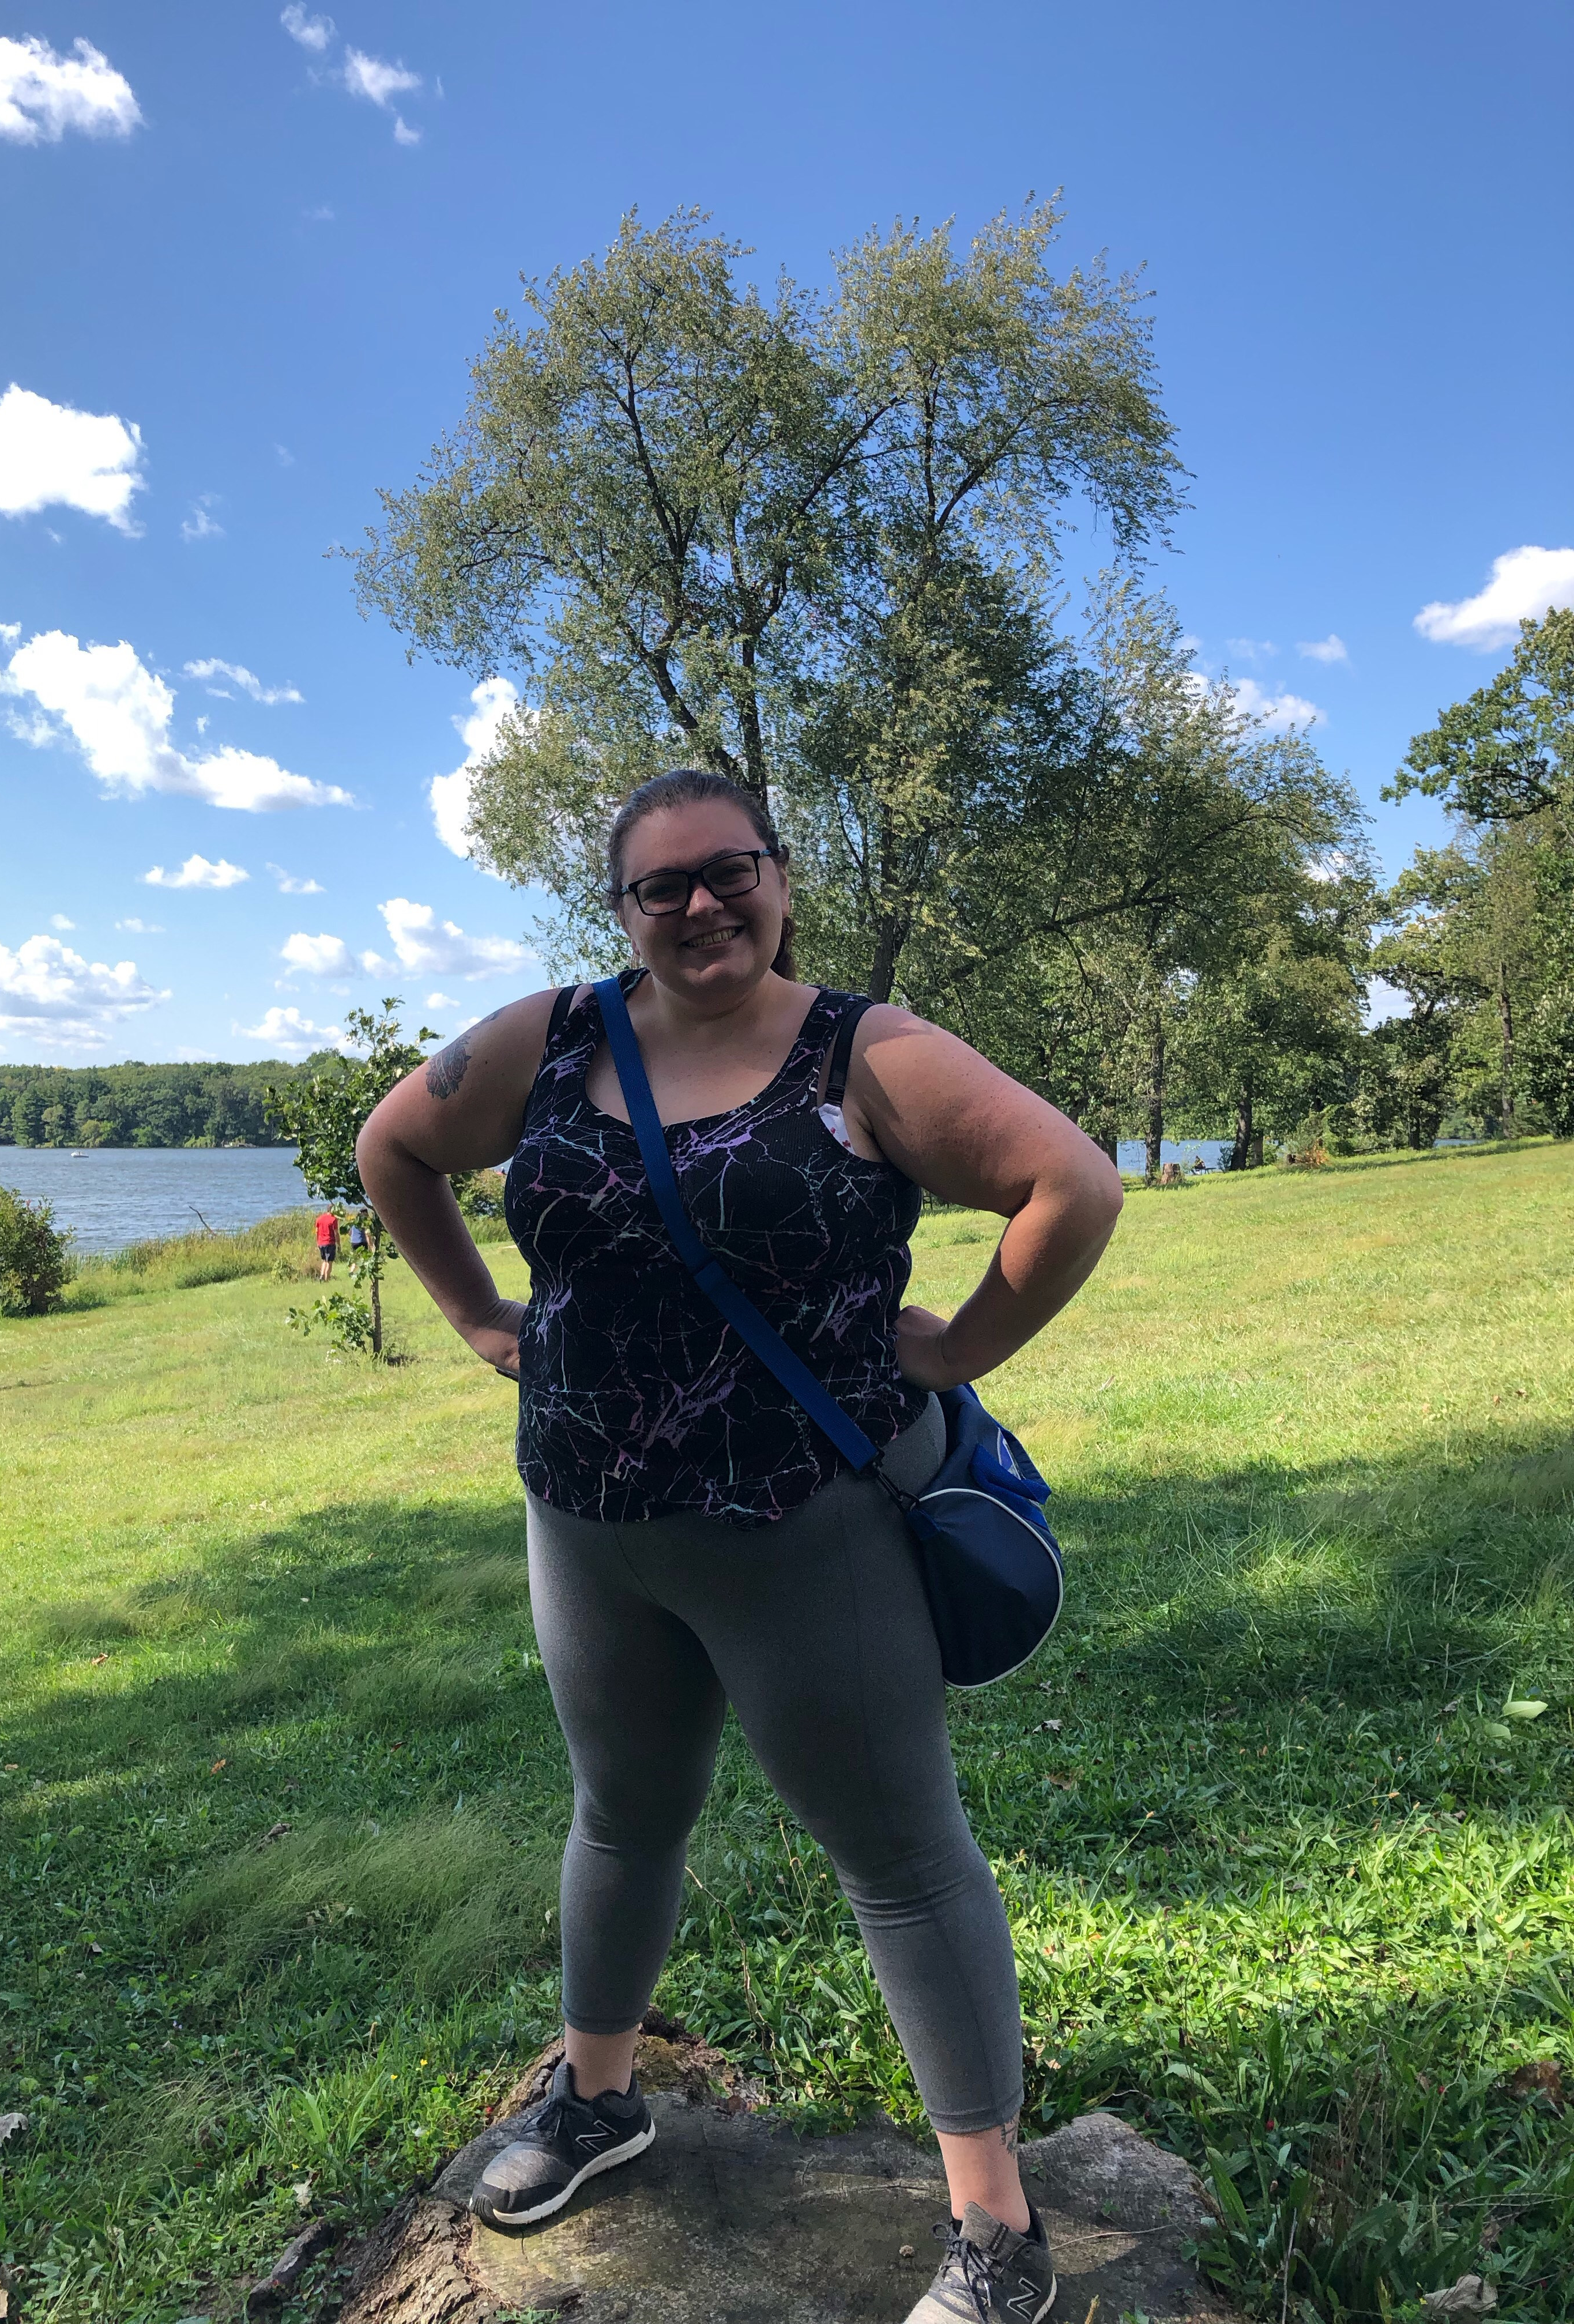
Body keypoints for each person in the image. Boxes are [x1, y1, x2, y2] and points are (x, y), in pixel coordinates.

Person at [357, 769, 1123, 2324]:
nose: (701, 907)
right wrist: (479, 1321)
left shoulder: (868, 1052)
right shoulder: (554, 1037)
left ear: (781, 879)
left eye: (732, 873)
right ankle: (597, 2096)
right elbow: (394, 1151)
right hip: (586, 1521)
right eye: (663, 888)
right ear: (622, 912)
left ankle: (997, 2234)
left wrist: (960, 1345)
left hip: (802, 1527)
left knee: (900, 1860)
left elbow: (1074, 1183)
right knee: (623, 1817)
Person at [314, 1206, 338, 1281]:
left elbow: (317, 1231)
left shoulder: (319, 1219)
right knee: (330, 1262)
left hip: (321, 1243)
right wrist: (339, 1243)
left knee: (325, 1260)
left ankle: (322, 1275)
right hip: (330, 1243)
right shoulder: (333, 1219)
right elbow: (336, 1233)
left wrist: (318, 1242)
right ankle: (327, 1279)